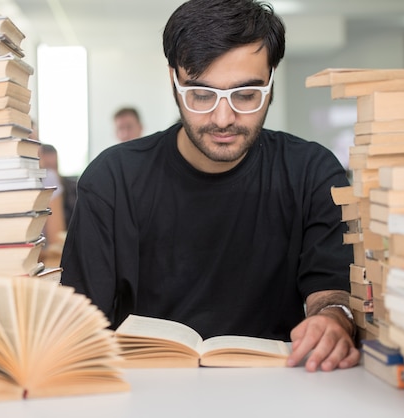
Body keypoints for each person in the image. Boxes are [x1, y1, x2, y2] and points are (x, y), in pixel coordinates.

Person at [61, 0, 359, 372]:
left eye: (246, 95)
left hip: (281, 388)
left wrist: (333, 320)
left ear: (271, 80)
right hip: (143, 390)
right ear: (174, 81)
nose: (223, 118)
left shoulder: (312, 172)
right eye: (201, 95)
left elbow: (331, 294)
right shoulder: (112, 179)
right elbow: (78, 325)